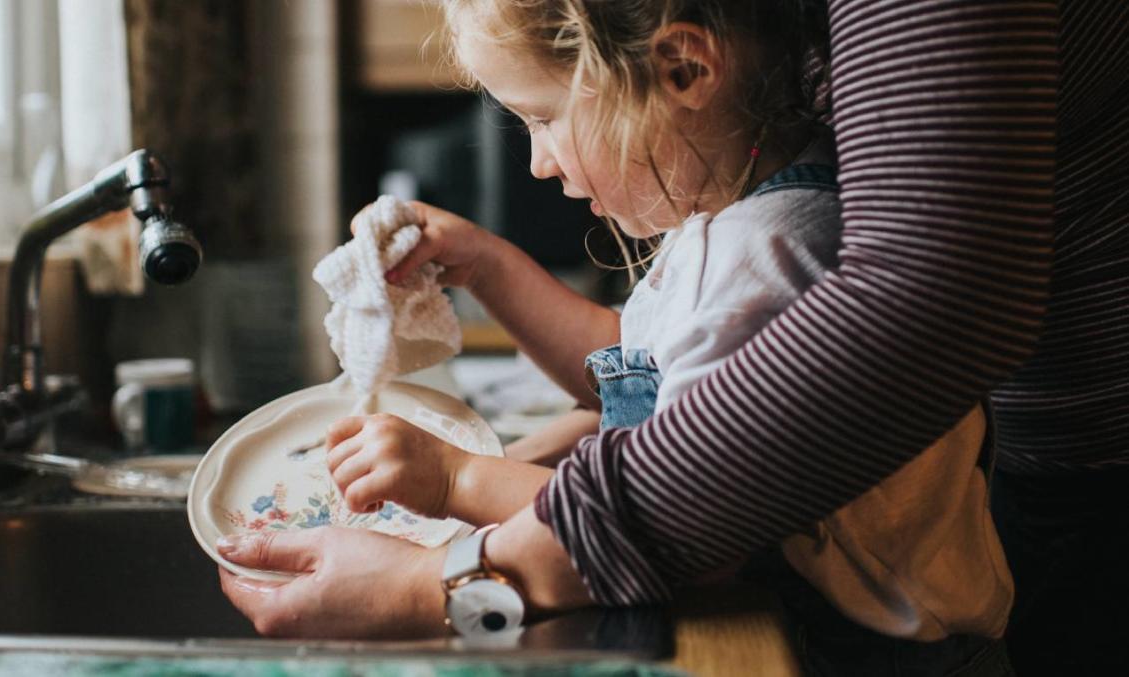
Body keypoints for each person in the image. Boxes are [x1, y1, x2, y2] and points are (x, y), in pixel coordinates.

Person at [219, 1, 1127, 674]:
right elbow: (637, 383)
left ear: (686, 69)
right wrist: (493, 270)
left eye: (542, 118)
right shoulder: (724, 226)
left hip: (882, 652)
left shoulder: (769, 253)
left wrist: (460, 491)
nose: (536, 160)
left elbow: (712, 533)